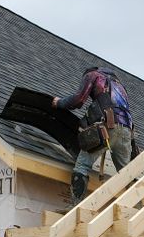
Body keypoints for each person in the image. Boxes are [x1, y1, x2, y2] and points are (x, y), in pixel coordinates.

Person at [52, 66, 133, 206]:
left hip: (107, 126)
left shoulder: (92, 75)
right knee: (127, 175)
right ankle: (137, 210)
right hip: (127, 130)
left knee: (82, 165)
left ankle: (75, 206)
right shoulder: (119, 85)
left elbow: (79, 100)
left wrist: (59, 102)